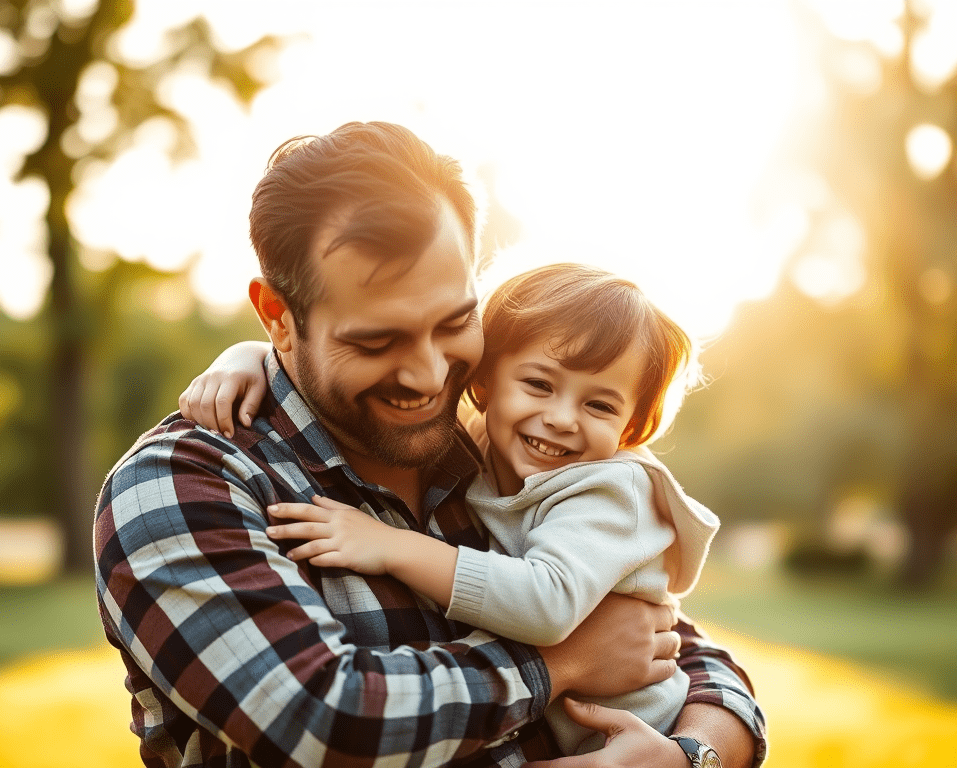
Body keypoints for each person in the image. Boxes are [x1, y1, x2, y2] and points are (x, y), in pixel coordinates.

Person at [96, 121, 766, 768]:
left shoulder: (491, 448)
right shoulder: (186, 484)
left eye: (454, 322)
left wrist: (692, 755)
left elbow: (664, 640)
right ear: (279, 316)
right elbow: (327, 724)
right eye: (376, 340)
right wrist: (558, 665)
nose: (429, 375)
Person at [185, 263, 721, 757]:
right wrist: (251, 354)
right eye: (538, 384)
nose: (560, 418)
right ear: (483, 382)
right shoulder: (488, 446)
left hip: (630, 742)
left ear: (632, 428)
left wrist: (392, 546)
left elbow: (548, 602)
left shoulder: (611, 491)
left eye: (600, 404)